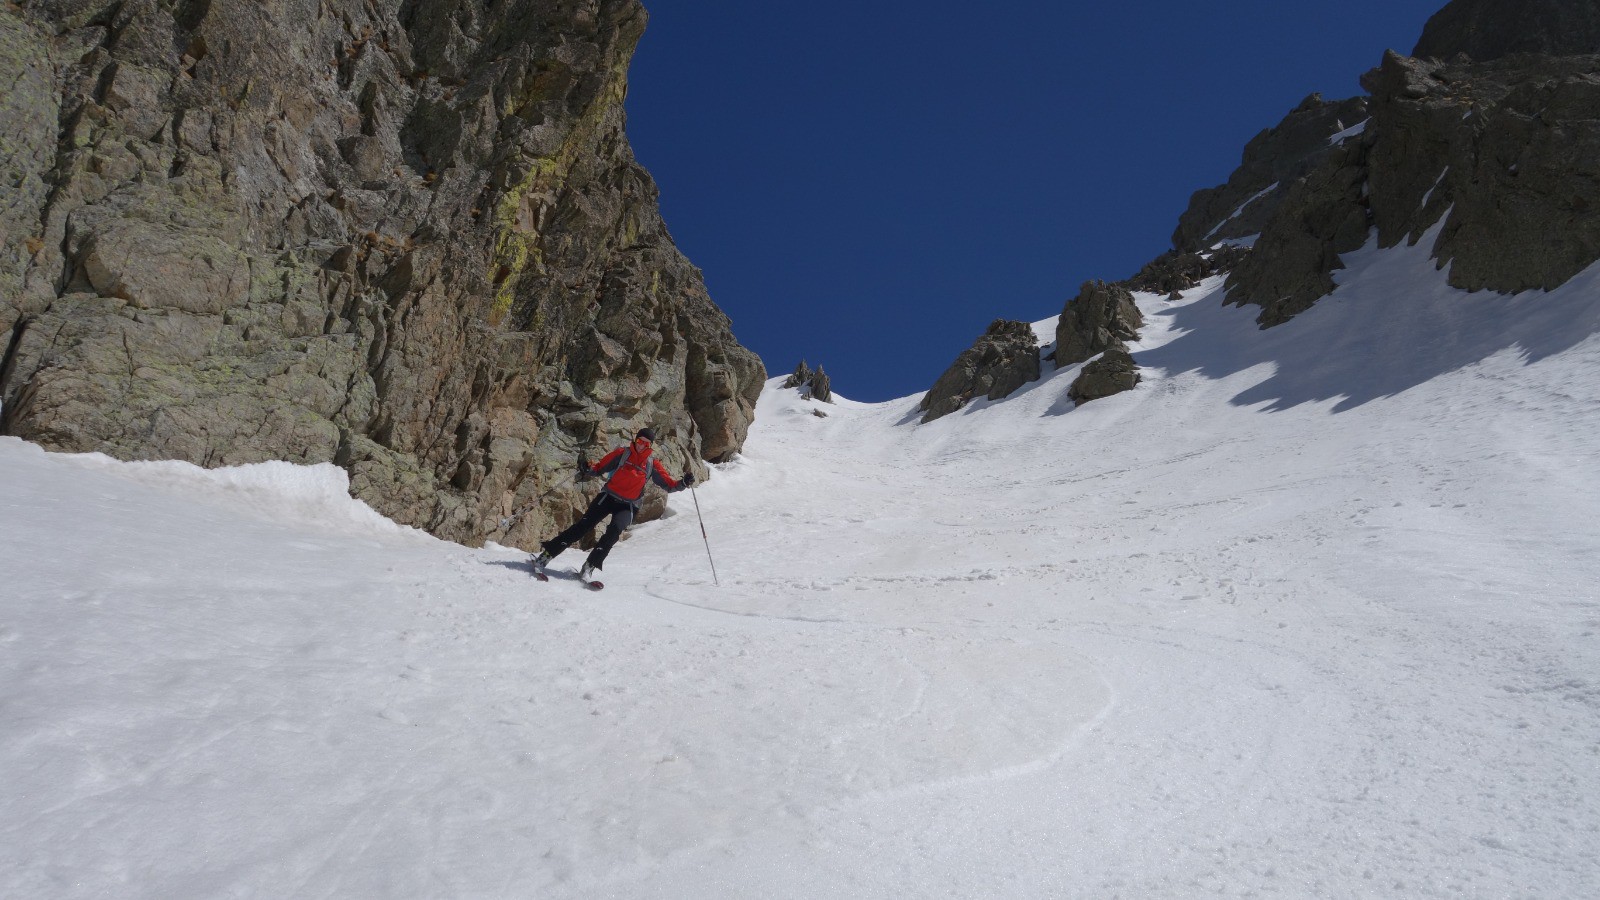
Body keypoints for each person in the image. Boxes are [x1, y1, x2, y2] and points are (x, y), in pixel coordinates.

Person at [532, 427, 695, 581]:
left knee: (613, 532)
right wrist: (587, 468)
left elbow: (669, 485)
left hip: (628, 506)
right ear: (635, 440)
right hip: (608, 497)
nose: (641, 445)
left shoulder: (652, 464)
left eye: (646, 443)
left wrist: (683, 483)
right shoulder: (622, 454)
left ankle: (589, 567)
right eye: (640, 441)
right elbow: (599, 467)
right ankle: (545, 557)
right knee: (582, 527)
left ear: (650, 446)